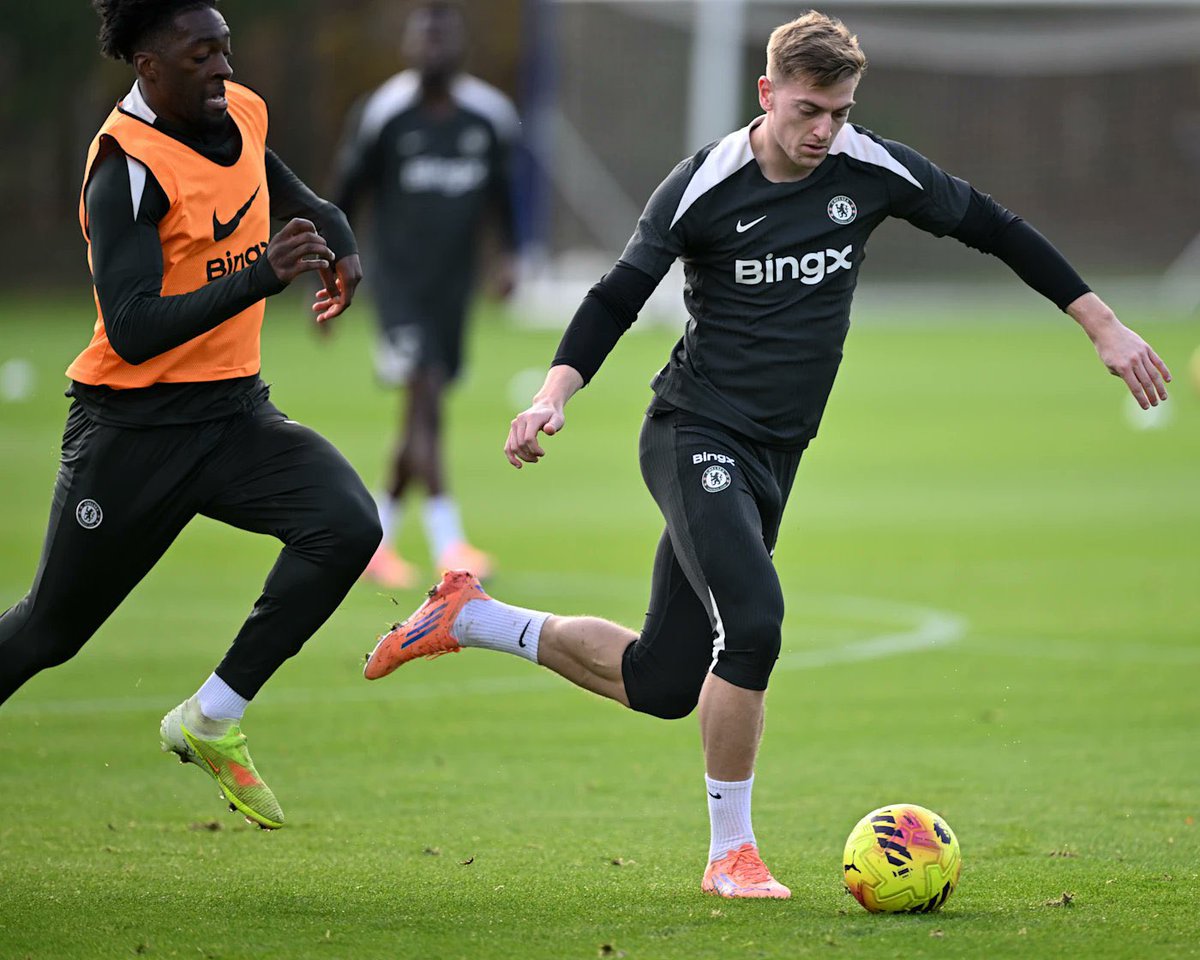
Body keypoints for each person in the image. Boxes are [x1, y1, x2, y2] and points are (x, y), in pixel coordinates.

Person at [362, 11, 1172, 896]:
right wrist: (552, 394)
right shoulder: (704, 183)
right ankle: (731, 857)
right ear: (769, 94)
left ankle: (472, 618)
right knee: (753, 623)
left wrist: (1103, 326)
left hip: (776, 455)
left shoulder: (870, 167)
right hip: (692, 432)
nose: (825, 130)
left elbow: (995, 225)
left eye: (840, 110)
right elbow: (617, 296)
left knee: (665, 680)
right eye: (809, 109)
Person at [0, 0, 382, 830]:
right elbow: (133, 330)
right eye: (203, 55)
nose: (225, 69)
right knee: (46, 635)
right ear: (150, 68)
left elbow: (285, 191)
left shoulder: (237, 112)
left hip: (233, 416)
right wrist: (261, 276)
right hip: (130, 434)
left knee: (348, 525)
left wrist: (340, 240)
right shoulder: (125, 170)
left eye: (226, 48)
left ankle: (210, 718)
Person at [332, 0, 520, 589]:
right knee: (425, 394)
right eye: (423, 39)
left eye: (442, 39)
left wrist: (507, 257)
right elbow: (343, 195)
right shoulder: (384, 113)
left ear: (457, 46)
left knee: (423, 404)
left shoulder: (489, 116)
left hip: (451, 289)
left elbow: (505, 197)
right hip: (397, 285)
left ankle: (376, 540)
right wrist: (329, 269)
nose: (432, 49)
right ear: (409, 47)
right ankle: (448, 542)